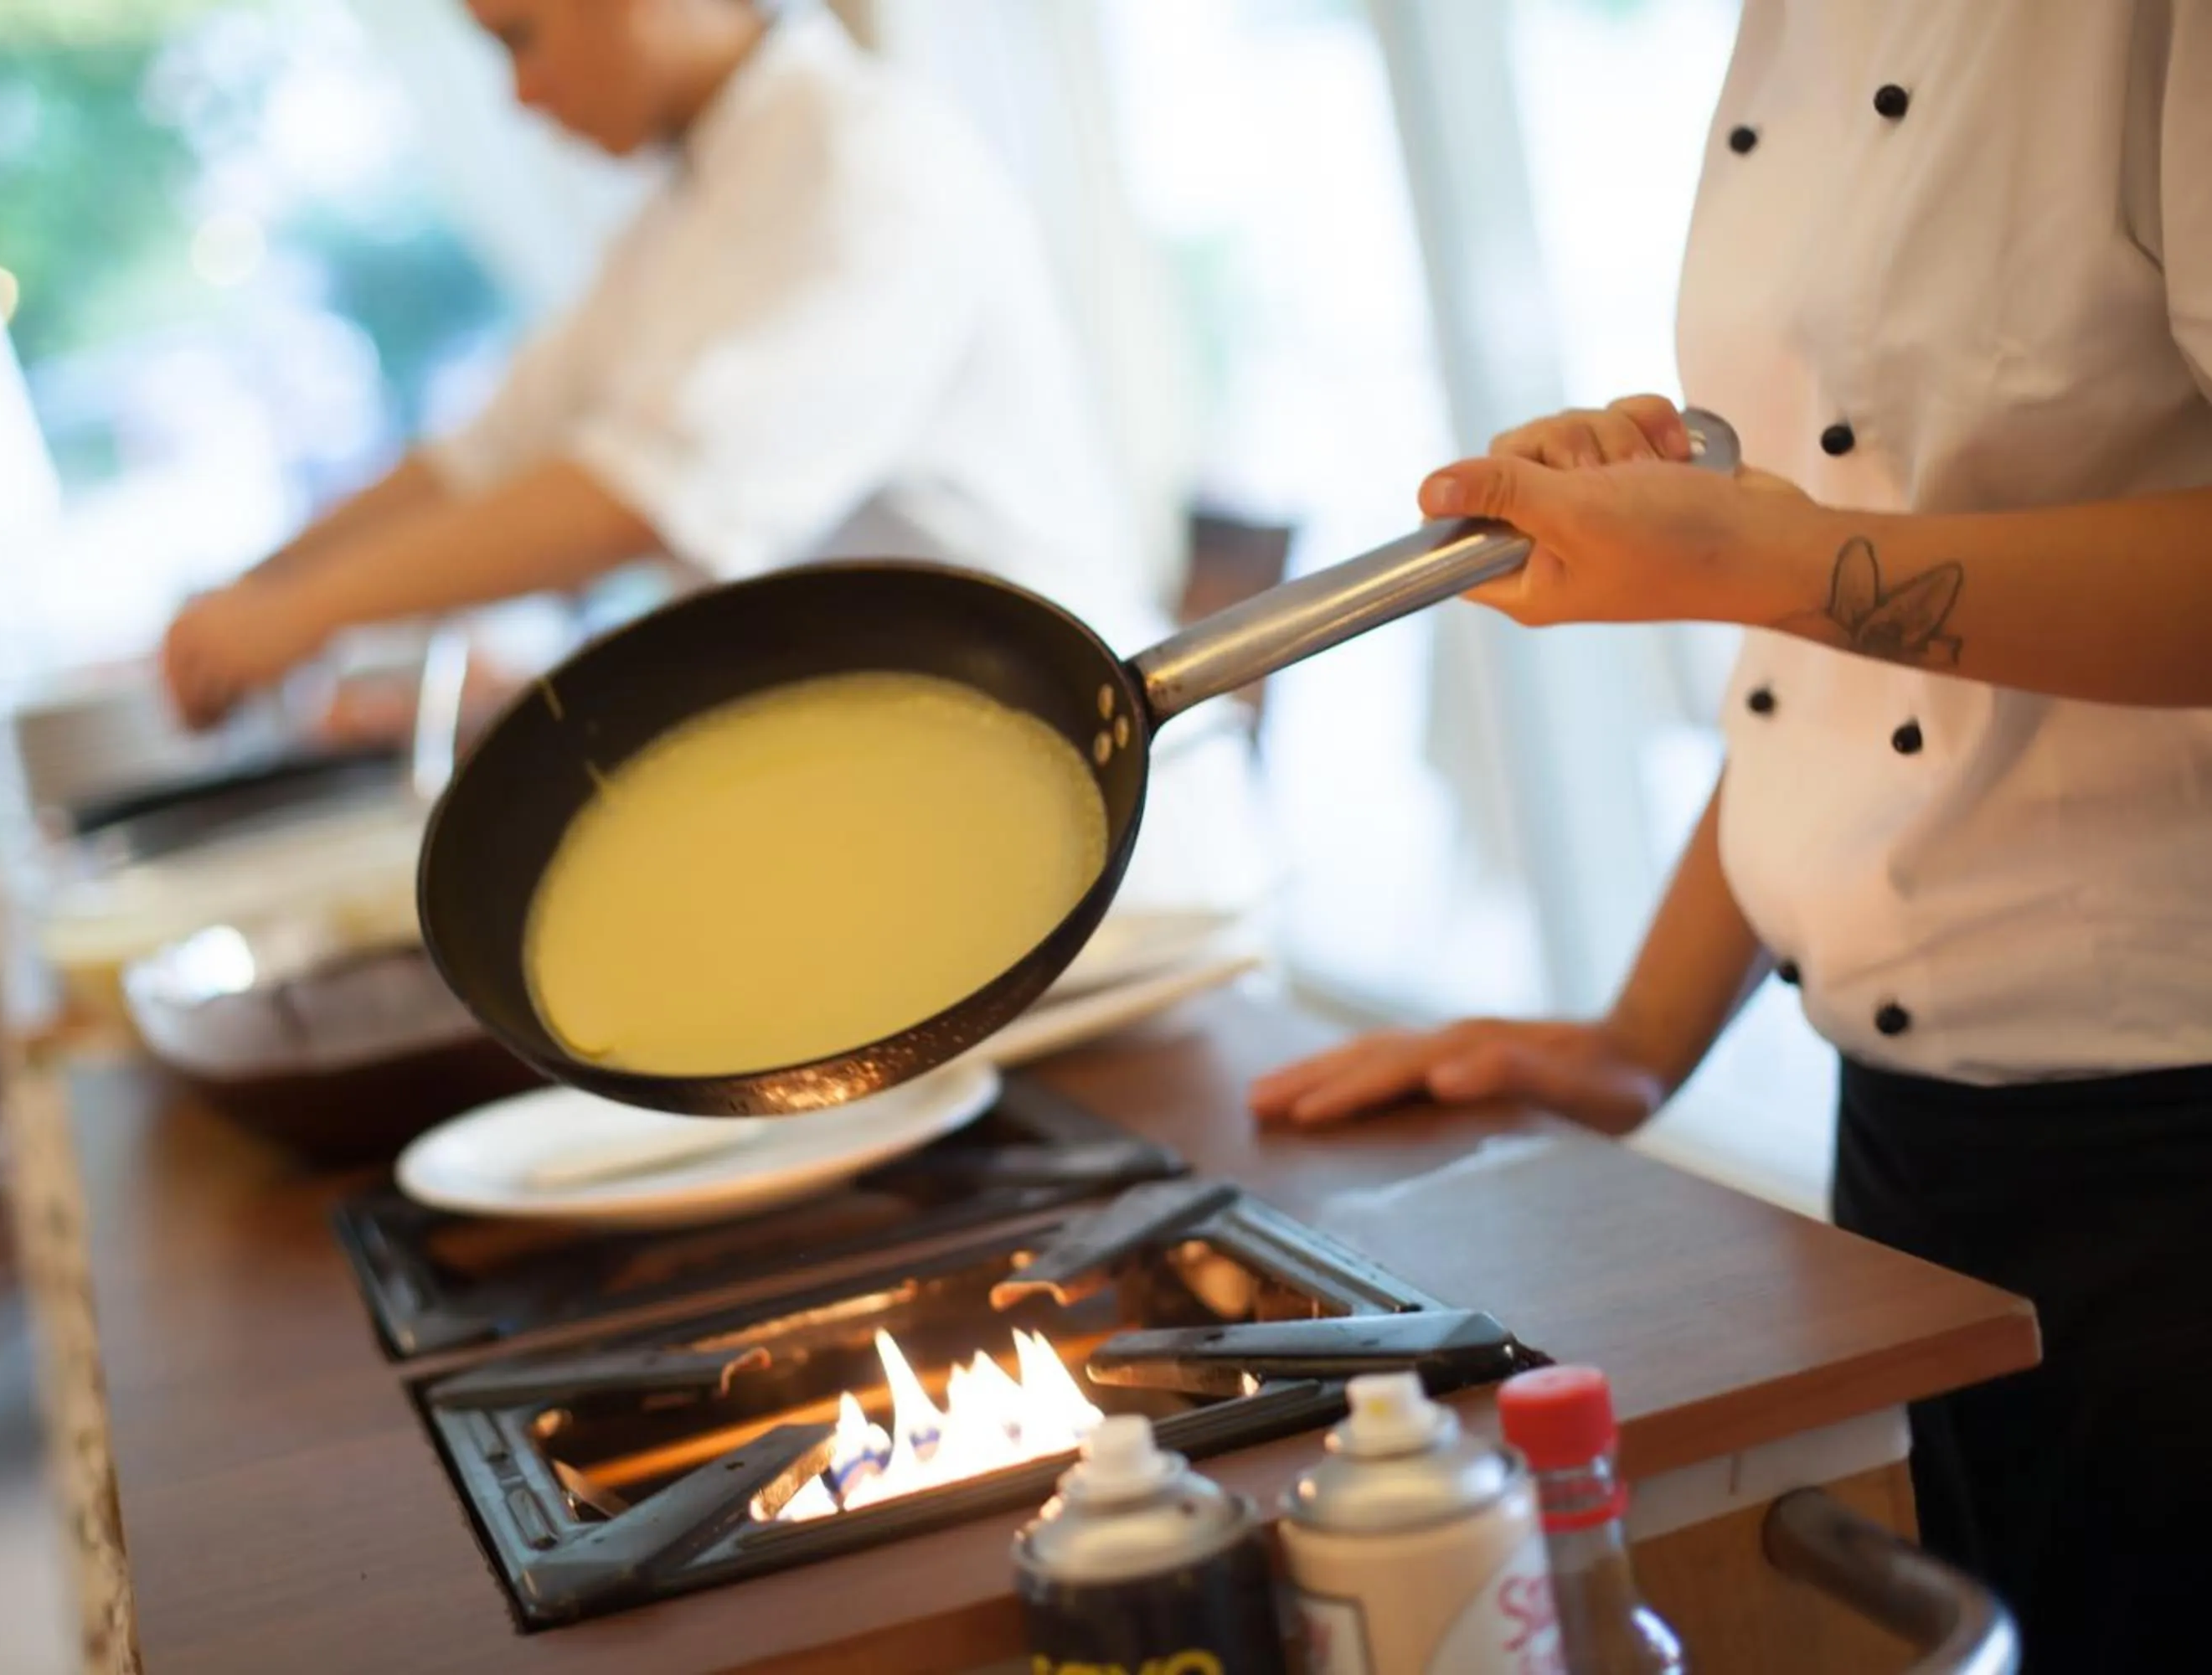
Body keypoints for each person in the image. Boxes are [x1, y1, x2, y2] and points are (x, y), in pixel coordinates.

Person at [1252, 4, 2211, 1666]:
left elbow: (1828, 566)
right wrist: (1638, 1035)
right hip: (1911, 1160)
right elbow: (1867, 580)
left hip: (2173, 1168)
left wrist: (1758, 559)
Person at [161, 0, 1266, 912]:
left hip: (1077, 815)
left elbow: (638, 497)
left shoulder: (863, 157)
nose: (520, 97)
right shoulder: (684, 213)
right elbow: (486, 458)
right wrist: (257, 593)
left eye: (518, 38)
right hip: (911, 811)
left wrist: (295, 619)